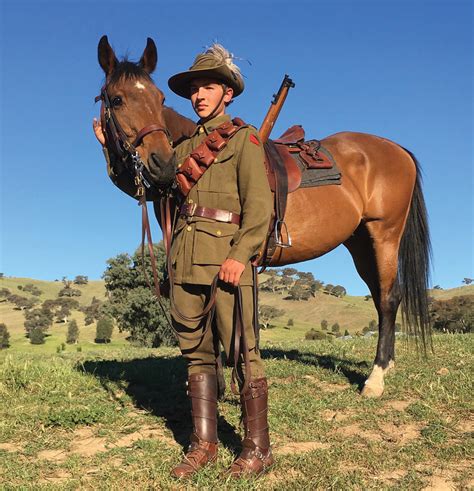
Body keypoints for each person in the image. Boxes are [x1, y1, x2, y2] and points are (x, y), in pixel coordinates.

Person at [94, 44, 273, 479]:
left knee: (243, 353)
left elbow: (260, 208)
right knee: (197, 356)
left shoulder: (242, 138)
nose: (199, 95)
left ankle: (257, 448)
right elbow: (150, 189)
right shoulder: (184, 147)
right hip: (186, 263)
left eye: (208, 87)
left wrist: (238, 256)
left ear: (227, 93)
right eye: (194, 89)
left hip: (226, 263)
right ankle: (204, 444)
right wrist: (109, 152)